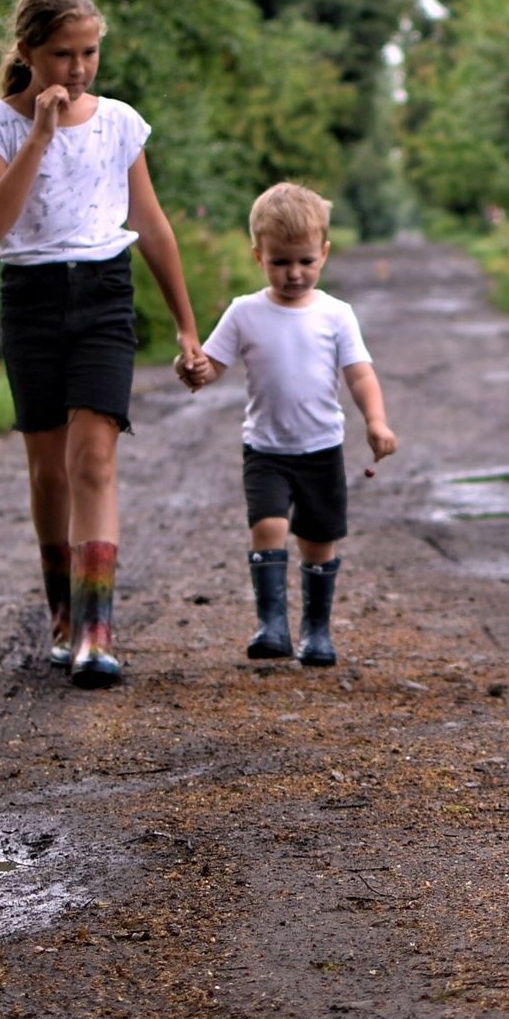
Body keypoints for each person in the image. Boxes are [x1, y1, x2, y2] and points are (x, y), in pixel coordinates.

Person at [0, 0, 205, 687]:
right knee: (49, 471)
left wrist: (187, 327)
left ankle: (97, 632)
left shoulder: (119, 122)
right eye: (63, 54)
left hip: (104, 294)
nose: (78, 68)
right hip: (31, 300)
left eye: (89, 52)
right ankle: (64, 616)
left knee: (94, 460)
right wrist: (39, 135)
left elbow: (151, 224)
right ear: (28, 52)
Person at [179, 183, 396, 667]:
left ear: (324, 254)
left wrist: (376, 421)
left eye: (305, 261)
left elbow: (360, 374)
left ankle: (316, 632)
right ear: (259, 256)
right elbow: (212, 365)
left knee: (318, 541)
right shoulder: (244, 312)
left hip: (322, 449)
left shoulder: (336, 314)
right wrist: (193, 369)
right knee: (269, 525)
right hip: (266, 450)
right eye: (280, 262)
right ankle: (271, 626)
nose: (294, 273)